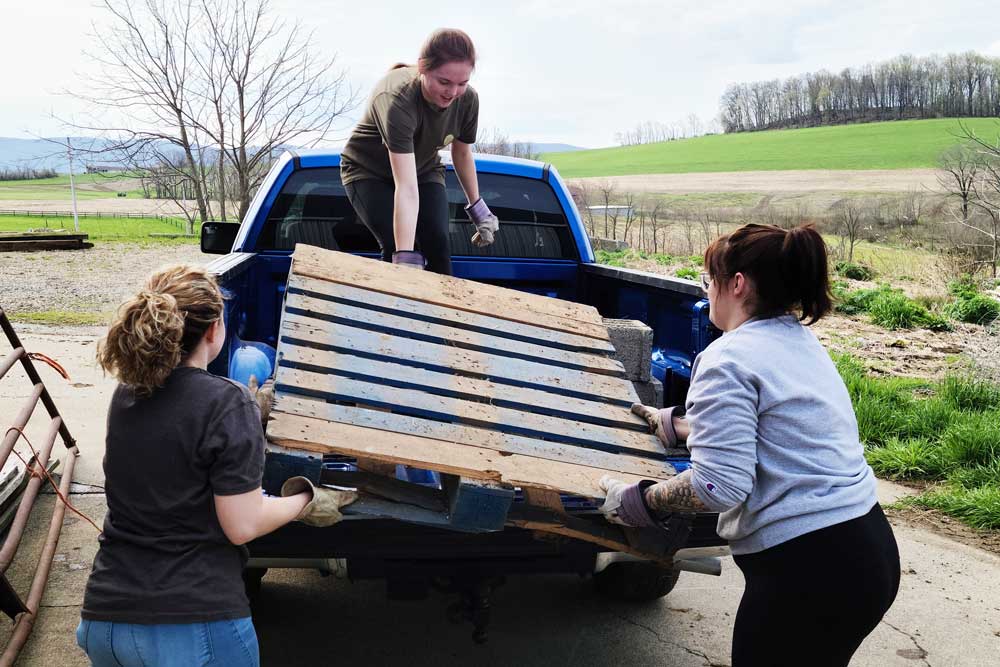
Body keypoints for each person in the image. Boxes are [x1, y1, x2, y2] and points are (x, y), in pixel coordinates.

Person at [600, 224, 900, 667]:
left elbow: (719, 487)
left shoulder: (727, 357)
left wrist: (643, 500)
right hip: (867, 551)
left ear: (736, 284)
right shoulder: (796, 339)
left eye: (708, 281)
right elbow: (778, 428)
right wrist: (682, 425)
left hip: (809, 570)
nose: (708, 292)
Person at [77, 265, 356, 667]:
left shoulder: (127, 395)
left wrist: (246, 425)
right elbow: (241, 524)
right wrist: (305, 500)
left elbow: (175, 445)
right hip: (190, 625)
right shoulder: (226, 402)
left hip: (106, 621)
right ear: (213, 330)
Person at [339, 28, 498, 274]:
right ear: (423, 68)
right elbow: (407, 188)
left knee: (438, 246)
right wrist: (404, 265)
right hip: (368, 171)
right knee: (401, 246)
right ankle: (396, 307)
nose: (453, 92)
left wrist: (478, 209)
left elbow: (462, 153)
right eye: (444, 82)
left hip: (423, 168)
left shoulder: (467, 101)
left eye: (462, 83)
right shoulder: (397, 100)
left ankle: (442, 313)